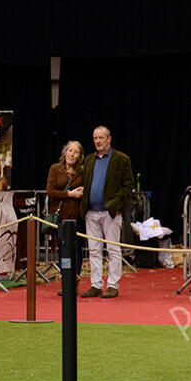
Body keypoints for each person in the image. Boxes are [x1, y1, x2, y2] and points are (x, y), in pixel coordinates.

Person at [79, 126, 135, 299]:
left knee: (113, 249)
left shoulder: (121, 159)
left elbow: (128, 186)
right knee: (93, 250)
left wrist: (119, 207)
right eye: (95, 138)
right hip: (91, 212)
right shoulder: (88, 160)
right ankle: (96, 285)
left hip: (111, 212)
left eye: (101, 138)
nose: (97, 141)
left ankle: (112, 285)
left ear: (109, 139)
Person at [46, 140, 85, 296]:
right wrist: (70, 194)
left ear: (79, 156)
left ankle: (74, 282)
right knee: (63, 250)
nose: (72, 154)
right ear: (65, 152)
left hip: (78, 217)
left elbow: (86, 189)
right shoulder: (55, 169)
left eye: (75, 152)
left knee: (77, 250)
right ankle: (65, 282)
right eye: (70, 150)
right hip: (61, 217)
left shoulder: (82, 171)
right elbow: (50, 191)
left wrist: (82, 192)